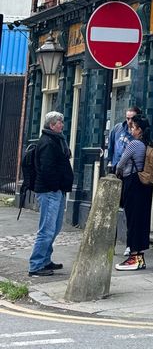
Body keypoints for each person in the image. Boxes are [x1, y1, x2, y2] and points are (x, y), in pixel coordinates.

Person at [28, 110, 74, 278]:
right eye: (59, 122)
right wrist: (55, 186)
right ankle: (36, 265)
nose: (62, 124)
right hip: (49, 191)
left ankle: (46, 260)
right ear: (52, 125)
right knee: (46, 229)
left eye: (62, 121)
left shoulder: (57, 140)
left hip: (57, 190)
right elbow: (47, 169)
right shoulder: (48, 142)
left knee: (54, 228)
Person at [115, 113, 153, 271]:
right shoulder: (148, 144)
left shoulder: (134, 144)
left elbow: (120, 164)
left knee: (132, 219)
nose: (131, 130)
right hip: (145, 185)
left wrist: (117, 171)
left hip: (133, 182)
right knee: (141, 220)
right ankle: (139, 257)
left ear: (140, 130)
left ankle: (134, 258)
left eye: (133, 128)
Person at [107, 105, 141, 173]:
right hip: (115, 165)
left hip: (129, 170)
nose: (130, 121)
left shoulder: (139, 132)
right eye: (128, 118)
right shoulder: (118, 128)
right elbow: (111, 145)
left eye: (133, 119)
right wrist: (109, 161)